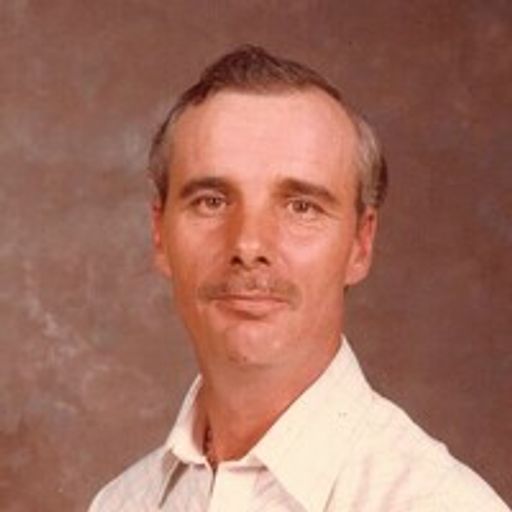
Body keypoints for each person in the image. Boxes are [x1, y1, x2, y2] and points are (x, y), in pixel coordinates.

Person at [89, 45, 509, 511]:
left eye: (301, 207)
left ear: (360, 244)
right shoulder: (121, 503)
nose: (249, 244)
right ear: (159, 234)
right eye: (211, 201)